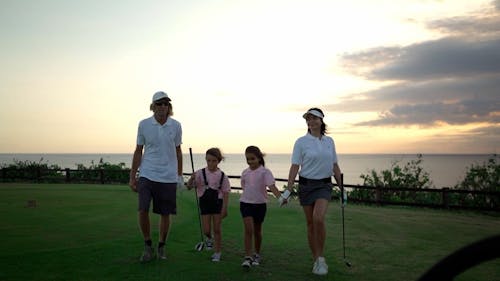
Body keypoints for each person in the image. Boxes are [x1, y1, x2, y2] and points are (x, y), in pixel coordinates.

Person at [282, 107, 343, 276]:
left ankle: (322, 259)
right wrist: (288, 190)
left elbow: (335, 166)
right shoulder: (301, 142)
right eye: (308, 119)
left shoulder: (329, 141)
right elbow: (295, 167)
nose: (311, 121)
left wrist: (342, 189)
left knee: (318, 218)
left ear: (321, 120)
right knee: (310, 223)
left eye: (314, 118)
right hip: (306, 186)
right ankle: (316, 259)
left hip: (324, 185)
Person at [129, 91, 183, 262]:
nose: (162, 107)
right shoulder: (144, 124)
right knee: (142, 209)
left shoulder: (176, 126)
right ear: (152, 106)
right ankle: (147, 245)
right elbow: (139, 151)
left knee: (165, 213)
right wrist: (133, 176)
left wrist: (179, 175)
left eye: (165, 104)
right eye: (159, 104)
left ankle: (161, 246)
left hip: (167, 176)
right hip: (147, 173)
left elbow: (178, 151)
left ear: (169, 107)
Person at [239, 145, 282, 268]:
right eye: (248, 159)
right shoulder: (245, 172)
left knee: (257, 231)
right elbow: (244, 186)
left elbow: (272, 186)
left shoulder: (265, 172)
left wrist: (280, 198)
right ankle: (247, 257)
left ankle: (257, 254)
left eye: (252, 158)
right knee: (248, 230)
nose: (250, 161)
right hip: (245, 204)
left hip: (260, 205)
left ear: (259, 158)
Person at [186, 148, 231, 262]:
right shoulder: (200, 173)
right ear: (206, 160)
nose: (211, 163)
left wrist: (225, 208)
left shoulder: (222, 176)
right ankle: (209, 239)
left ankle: (217, 253)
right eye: (208, 160)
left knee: (217, 229)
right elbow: (189, 187)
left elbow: (226, 192)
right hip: (204, 203)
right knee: (206, 230)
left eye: (213, 161)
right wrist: (191, 179)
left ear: (218, 161)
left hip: (217, 203)